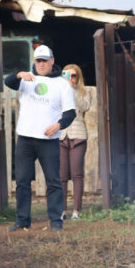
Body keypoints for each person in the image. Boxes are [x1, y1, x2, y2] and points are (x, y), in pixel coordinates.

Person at [4, 44, 76, 232]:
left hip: (48, 140)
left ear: (52, 60)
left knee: (53, 180)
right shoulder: (27, 78)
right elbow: (8, 82)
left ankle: (56, 221)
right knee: (22, 181)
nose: (41, 64)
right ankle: (22, 221)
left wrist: (58, 125)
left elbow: (70, 113)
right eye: (38, 61)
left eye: (45, 60)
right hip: (26, 138)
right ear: (34, 62)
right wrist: (19, 74)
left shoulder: (62, 84)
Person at [59, 64, 90, 220]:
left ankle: (76, 211)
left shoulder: (84, 91)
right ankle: (62, 210)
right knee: (62, 175)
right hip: (61, 136)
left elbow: (85, 106)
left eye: (74, 76)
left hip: (78, 135)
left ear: (78, 77)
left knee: (77, 174)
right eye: (68, 76)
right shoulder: (58, 91)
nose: (71, 79)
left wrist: (72, 89)